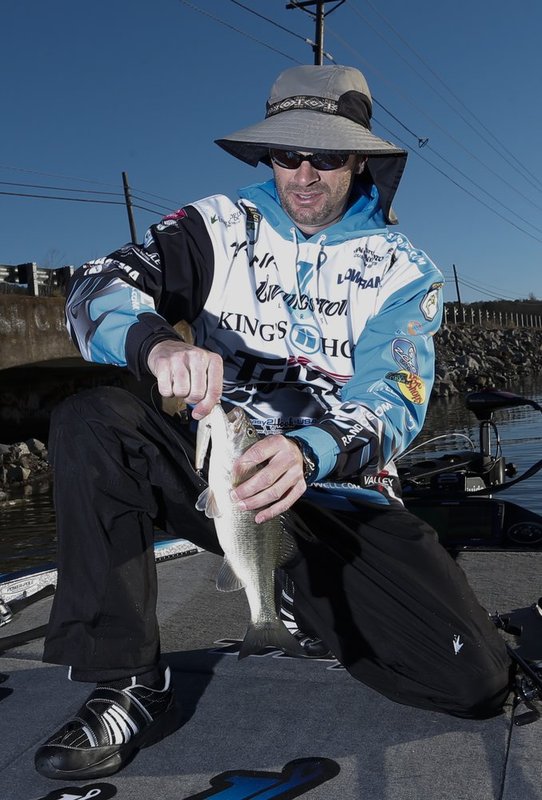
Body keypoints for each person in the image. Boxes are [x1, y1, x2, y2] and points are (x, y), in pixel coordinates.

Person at [35, 65, 512, 781]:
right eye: (289, 153)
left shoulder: (404, 270)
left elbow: (397, 395)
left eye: (327, 156)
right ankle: (128, 682)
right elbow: (95, 285)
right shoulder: (214, 225)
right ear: (269, 155)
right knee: (92, 419)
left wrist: (309, 452)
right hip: (221, 473)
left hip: (340, 495)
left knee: (474, 683)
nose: (305, 175)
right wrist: (155, 343)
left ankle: (298, 593)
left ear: (361, 161)